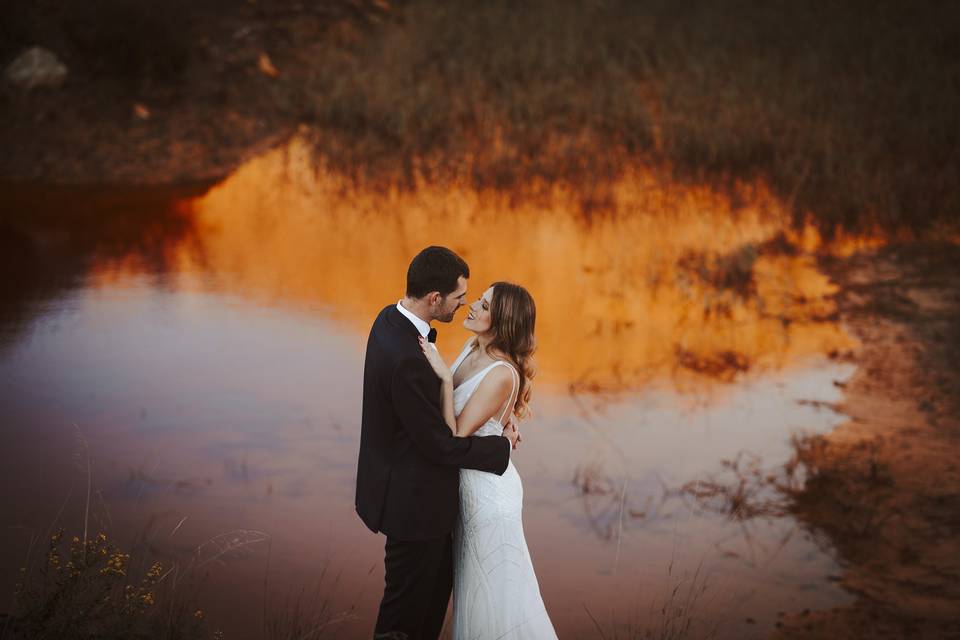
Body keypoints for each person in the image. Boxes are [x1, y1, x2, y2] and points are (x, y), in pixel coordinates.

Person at [355, 246, 520, 640]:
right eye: (459, 297)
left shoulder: (389, 319)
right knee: (403, 623)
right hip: (416, 511)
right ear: (434, 298)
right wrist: (502, 448)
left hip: (414, 500)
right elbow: (440, 447)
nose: (464, 304)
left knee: (424, 615)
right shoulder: (407, 359)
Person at [419, 281, 557, 640]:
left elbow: (455, 436)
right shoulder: (471, 346)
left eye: (483, 305)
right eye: (478, 299)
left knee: (496, 595)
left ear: (503, 322)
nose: (473, 306)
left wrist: (445, 379)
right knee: (473, 590)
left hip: (487, 496)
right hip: (468, 482)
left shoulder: (501, 373)